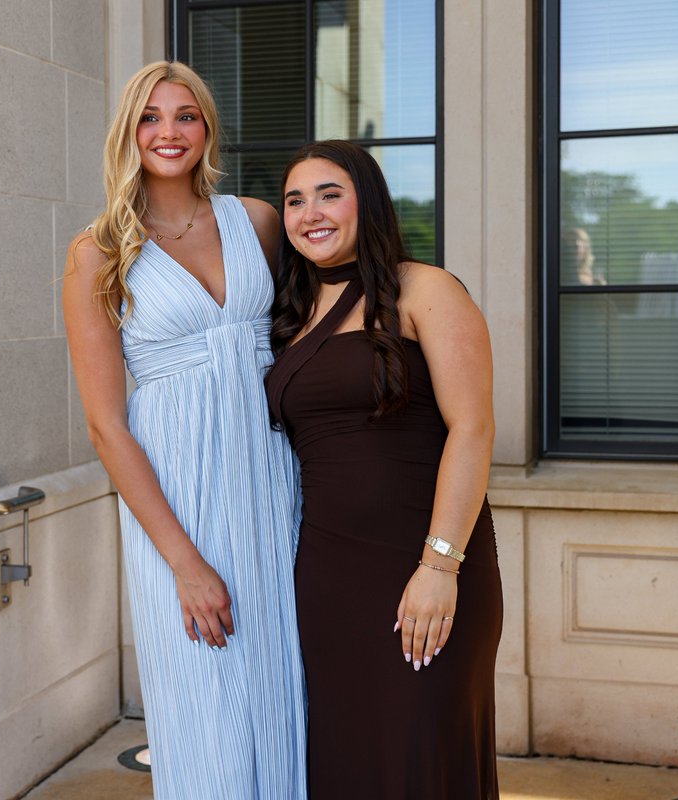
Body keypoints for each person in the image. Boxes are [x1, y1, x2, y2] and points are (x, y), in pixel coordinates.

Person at [62, 61, 306, 799]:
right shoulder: (98, 253)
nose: (169, 132)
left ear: (207, 129)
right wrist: (185, 563)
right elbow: (107, 426)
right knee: (209, 715)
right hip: (180, 502)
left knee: (289, 691)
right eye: (151, 117)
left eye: (186, 115)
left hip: (276, 485)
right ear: (128, 132)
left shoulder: (259, 221)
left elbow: (311, 343)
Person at [265, 140, 502, 799]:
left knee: (421, 758)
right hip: (326, 578)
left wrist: (439, 565)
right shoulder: (289, 314)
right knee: (346, 761)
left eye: (329, 193)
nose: (310, 211)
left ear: (367, 202)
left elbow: (473, 428)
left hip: (426, 569)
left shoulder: (425, 288)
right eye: (294, 200)